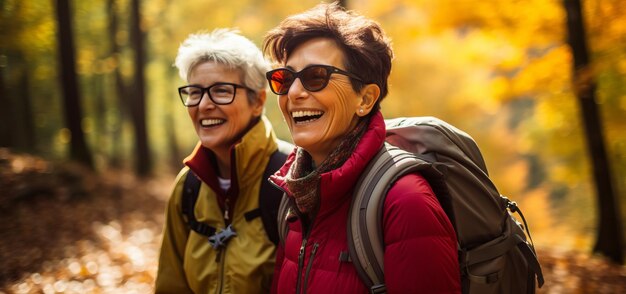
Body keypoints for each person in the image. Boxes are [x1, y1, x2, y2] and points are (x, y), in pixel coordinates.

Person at [263, 2, 461, 293]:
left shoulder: (406, 202)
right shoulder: (296, 192)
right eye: (285, 78)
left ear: (365, 99)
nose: (293, 92)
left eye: (316, 76)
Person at [155, 28, 291, 293]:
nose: (203, 104)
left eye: (220, 90)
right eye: (194, 92)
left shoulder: (292, 177)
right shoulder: (188, 186)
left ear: (258, 101)